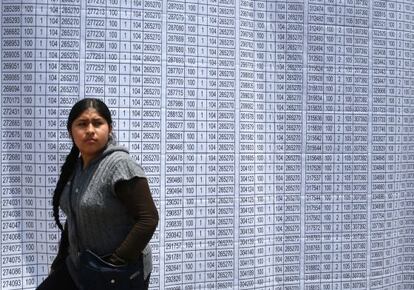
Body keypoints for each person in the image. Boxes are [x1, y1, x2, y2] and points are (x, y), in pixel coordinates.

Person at [37, 98, 159, 290]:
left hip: (119, 274)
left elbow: (148, 218)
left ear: (109, 128)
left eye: (98, 123)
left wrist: (115, 262)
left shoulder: (120, 165)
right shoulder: (75, 169)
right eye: (82, 124)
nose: (90, 130)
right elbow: (74, 218)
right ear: (71, 132)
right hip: (81, 267)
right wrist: (60, 262)